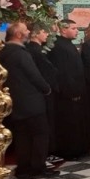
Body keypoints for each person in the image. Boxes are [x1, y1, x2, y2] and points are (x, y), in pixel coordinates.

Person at [1, 22, 56, 179]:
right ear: (18, 34)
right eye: (26, 30)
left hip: (14, 101)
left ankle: (23, 168)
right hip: (31, 101)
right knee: (40, 134)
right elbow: (34, 75)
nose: (28, 32)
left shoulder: (3, 52)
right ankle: (38, 167)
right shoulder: (21, 53)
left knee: (22, 136)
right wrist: (47, 89)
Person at [48, 19, 88, 159]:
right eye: (73, 28)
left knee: (76, 123)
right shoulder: (58, 46)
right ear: (63, 30)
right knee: (68, 124)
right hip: (68, 94)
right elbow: (63, 72)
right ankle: (69, 151)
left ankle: (78, 149)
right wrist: (72, 91)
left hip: (76, 91)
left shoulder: (68, 44)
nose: (77, 31)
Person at [25, 24, 63, 167]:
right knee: (44, 126)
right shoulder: (33, 50)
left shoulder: (36, 49)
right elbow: (43, 72)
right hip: (43, 93)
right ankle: (43, 156)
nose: (47, 35)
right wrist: (48, 88)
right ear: (35, 34)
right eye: (44, 31)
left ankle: (47, 153)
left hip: (45, 92)